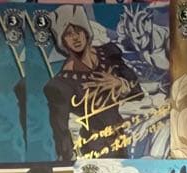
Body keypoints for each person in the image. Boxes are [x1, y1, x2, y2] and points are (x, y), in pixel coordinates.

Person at [44, 5, 142, 160]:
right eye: (68, 34)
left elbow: (138, 92)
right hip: (94, 147)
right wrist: (69, 160)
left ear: (86, 32)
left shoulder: (109, 54)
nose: (75, 37)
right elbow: (60, 132)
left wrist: (120, 84)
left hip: (121, 138)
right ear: (62, 41)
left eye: (78, 31)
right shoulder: (60, 85)